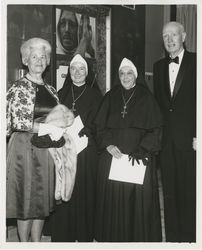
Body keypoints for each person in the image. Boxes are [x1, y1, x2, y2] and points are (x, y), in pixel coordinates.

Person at [6, 37, 74, 242]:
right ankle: (24, 243)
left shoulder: (52, 90)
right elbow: (18, 122)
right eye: (34, 56)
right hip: (25, 150)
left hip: (46, 150)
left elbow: (59, 116)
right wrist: (49, 127)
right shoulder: (17, 88)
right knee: (27, 201)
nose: (39, 60)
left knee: (41, 200)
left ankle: (36, 243)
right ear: (26, 60)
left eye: (43, 57)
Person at [94, 58, 163, 242]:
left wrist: (143, 149)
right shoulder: (110, 96)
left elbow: (156, 129)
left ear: (136, 76)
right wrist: (108, 144)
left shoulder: (146, 97)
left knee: (137, 201)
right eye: (122, 73)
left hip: (137, 157)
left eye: (129, 73)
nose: (125, 77)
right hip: (114, 156)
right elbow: (99, 125)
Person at [51, 54, 103, 242]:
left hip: (85, 152)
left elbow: (100, 122)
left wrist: (88, 129)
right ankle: (64, 234)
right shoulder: (60, 94)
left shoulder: (96, 95)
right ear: (69, 72)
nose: (77, 72)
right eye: (74, 69)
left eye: (81, 69)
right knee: (64, 192)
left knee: (84, 192)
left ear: (86, 73)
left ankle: (83, 234)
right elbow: (52, 119)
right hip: (64, 150)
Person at [153, 21, 196, 242]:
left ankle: (191, 238)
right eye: (165, 36)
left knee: (189, 192)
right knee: (168, 192)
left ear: (184, 36)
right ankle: (172, 239)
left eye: (174, 35)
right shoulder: (158, 66)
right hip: (166, 142)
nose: (169, 40)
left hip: (190, 141)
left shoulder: (197, 62)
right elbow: (160, 107)